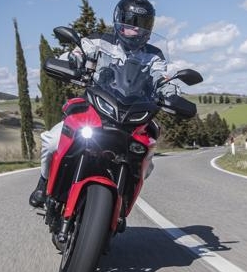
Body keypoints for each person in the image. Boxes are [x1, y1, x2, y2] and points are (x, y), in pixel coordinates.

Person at [30, 0, 179, 208]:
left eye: (142, 23)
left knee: (146, 159)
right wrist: (73, 62)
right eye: (130, 21)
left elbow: (163, 77)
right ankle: (44, 182)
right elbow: (77, 53)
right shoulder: (98, 41)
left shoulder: (154, 56)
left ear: (150, 26)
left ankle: (123, 200)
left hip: (131, 115)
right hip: (95, 108)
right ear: (119, 21)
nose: (135, 28)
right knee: (53, 141)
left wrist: (170, 93)